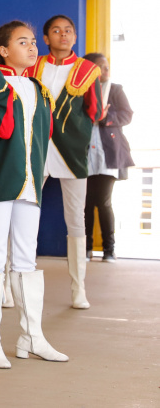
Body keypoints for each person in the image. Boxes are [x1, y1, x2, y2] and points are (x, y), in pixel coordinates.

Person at [0, 21, 67, 369]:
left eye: (33, 42)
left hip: (32, 183)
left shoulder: (37, 86)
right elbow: (2, 130)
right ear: (3, 50)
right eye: (22, 42)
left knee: (27, 260)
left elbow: (43, 138)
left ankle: (32, 337)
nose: (32, 48)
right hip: (0, 183)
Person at [26, 15, 103, 309]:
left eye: (68, 31)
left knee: (76, 220)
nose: (63, 35)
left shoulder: (88, 70)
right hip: (35, 148)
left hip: (72, 153)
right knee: (23, 214)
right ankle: (10, 282)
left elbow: (94, 112)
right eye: (56, 31)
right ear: (45, 38)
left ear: (75, 36)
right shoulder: (34, 66)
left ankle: (78, 288)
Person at [83, 53, 134, 263]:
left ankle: (108, 250)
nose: (105, 71)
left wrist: (106, 118)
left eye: (106, 67)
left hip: (108, 155)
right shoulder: (80, 90)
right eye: (99, 67)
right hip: (85, 156)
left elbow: (127, 114)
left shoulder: (115, 89)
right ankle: (85, 249)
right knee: (85, 204)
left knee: (103, 202)